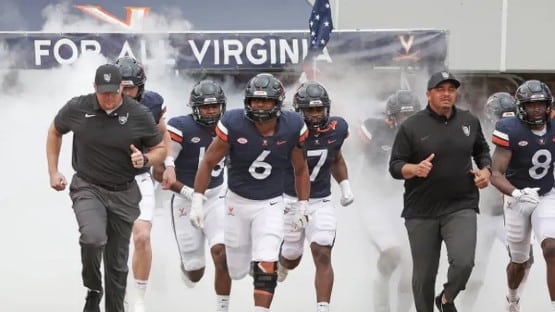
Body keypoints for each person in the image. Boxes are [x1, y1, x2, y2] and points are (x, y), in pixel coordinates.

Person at [46, 64, 166, 312]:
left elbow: (161, 149)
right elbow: (55, 130)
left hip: (124, 192)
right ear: (94, 89)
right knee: (93, 238)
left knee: (117, 265)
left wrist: (145, 159)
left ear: (122, 89)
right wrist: (54, 171)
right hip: (88, 187)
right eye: (104, 93)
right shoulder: (78, 107)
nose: (109, 98)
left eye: (114, 92)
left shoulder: (139, 113)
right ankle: (92, 288)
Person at [191, 73, 311, 312]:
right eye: (255, 101)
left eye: (265, 101)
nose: (259, 105)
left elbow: (300, 168)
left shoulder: (293, 126)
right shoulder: (234, 123)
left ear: (277, 103)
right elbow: (208, 162)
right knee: (236, 269)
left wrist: (303, 205)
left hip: (271, 204)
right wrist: (197, 199)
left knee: (266, 258)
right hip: (237, 201)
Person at [388, 71, 492, 312]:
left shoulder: (469, 121)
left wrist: (486, 170)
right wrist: (414, 168)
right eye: (440, 89)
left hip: (461, 205)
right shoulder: (411, 126)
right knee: (424, 276)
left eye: (451, 89)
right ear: (428, 94)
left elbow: (482, 150)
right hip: (421, 210)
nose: (446, 94)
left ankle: (446, 298)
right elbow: (395, 167)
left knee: (464, 263)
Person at [277, 81, 353, 312]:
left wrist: (345, 186)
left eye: (319, 109)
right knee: (292, 258)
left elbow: (336, 157)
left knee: (322, 252)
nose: (315, 114)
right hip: (289, 200)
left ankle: (323, 307)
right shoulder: (286, 129)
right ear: (299, 110)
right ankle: (281, 264)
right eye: (310, 109)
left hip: (320, 200)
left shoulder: (337, 128)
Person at [157, 80, 232, 311]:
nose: (211, 111)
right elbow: (158, 170)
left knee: (221, 252)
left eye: (215, 106)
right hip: (184, 198)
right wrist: (186, 190)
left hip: (216, 195)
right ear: (195, 108)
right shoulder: (181, 128)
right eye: (205, 107)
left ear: (222, 106)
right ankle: (187, 267)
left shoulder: (231, 126)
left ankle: (222, 308)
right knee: (195, 272)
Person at [459, 92, 533, 312]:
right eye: (502, 117)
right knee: (475, 273)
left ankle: (513, 303)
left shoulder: (523, 137)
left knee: (525, 260)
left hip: (507, 213)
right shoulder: (477, 139)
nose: (507, 123)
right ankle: (464, 309)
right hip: (480, 215)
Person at [114, 56, 174, 312]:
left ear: (141, 87)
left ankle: (139, 298)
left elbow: (162, 132)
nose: (125, 93)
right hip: (106, 179)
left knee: (141, 237)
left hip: (139, 177)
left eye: (130, 88)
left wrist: (168, 163)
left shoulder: (151, 103)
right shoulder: (98, 104)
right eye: (121, 87)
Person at [490, 80, 555, 312]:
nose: (537, 109)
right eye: (531, 105)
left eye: (541, 104)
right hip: (516, 197)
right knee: (520, 261)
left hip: (546, 194)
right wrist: (517, 193)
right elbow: (495, 174)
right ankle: (513, 297)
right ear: (521, 107)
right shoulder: (510, 128)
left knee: (551, 248)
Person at [357, 89, 420, 312]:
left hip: (402, 202)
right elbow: (348, 153)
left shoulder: (423, 137)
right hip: (374, 200)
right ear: (391, 116)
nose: (407, 122)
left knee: (412, 265)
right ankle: (381, 305)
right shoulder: (375, 128)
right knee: (393, 254)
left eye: (412, 116)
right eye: (403, 116)